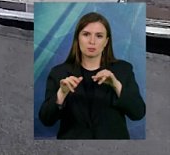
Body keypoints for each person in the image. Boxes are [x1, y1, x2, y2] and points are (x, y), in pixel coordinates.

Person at [38, 11, 146, 139]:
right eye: (86, 34)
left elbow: (138, 113)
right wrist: (61, 94)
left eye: (99, 36)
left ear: (106, 41)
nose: (92, 41)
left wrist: (116, 85)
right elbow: (46, 120)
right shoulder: (59, 73)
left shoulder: (123, 69)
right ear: (77, 38)